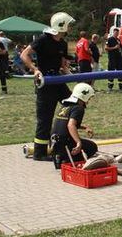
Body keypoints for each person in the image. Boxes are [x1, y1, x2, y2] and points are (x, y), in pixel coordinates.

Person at [21, 12, 76, 161]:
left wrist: (72, 75)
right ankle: (39, 153)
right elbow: (24, 55)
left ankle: (65, 142)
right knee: (45, 118)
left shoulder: (63, 43)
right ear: (62, 25)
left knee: (73, 106)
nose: (70, 28)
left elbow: (63, 64)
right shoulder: (42, 40)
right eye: (68, 25)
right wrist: (35, 69)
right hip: (45, 83)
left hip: (57, 81)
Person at [51, 83, 98, 169]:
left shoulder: (65, 106)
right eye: (89, 98)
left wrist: (85, 127)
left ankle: (61, 158)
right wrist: (78, 143)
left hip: (55, 144)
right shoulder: (78, 108)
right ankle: (69, 160)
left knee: (82, 144)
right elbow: (71, 125)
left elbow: (65, 123)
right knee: (92, 147)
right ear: (84, 96)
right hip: (65, 143)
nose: (89, 100)